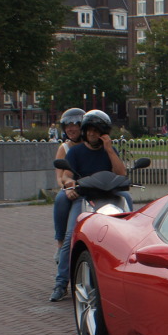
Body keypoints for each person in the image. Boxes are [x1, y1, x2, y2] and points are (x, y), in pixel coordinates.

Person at [51, 110, 131, 302]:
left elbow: (121, 174)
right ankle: (61, 283)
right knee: (72, 236)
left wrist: (110, 149)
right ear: (85, 131)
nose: (92, 134)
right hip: (84, 197)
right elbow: (67, 176)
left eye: (97, 131)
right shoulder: (77, 152)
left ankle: (131, 232)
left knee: (126, 196)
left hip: (110, 194)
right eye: (89, 131)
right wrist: (70, 186)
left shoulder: (108, 150)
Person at [51, 108, 85, 260]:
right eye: (67, 125)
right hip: (71, 186)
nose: (71, 129)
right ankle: (60, 243)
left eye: (74, 124)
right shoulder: (64, 148)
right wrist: (68, 187)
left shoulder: (91, 145)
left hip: (91, 186)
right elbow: (60, 177)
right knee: (60, 199)